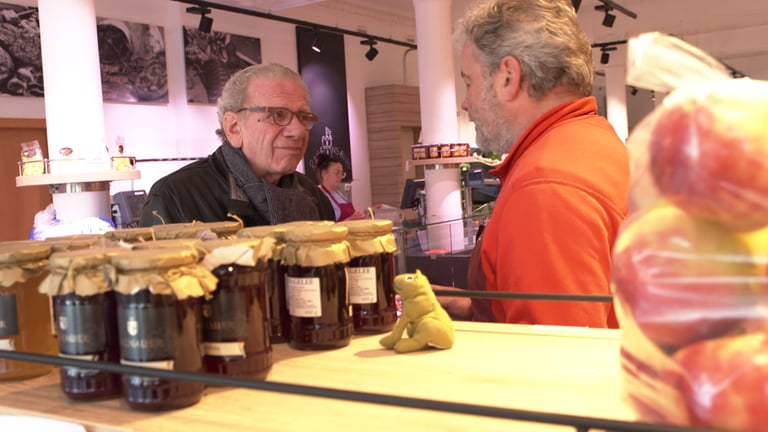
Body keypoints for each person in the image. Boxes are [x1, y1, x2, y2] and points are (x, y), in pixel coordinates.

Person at [437, 0, 630, 328]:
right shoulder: (594, 142)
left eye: (469, 82)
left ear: (509, 77)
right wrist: (482, 306)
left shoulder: (546, 186)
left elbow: (556, 362)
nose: (465, 102)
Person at [140, 63, 335, 227]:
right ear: (234, 127)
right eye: (277, 114)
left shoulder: (314, 199)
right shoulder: (174, 198)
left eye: (303, 117)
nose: (298, 131)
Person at [316, 153, 366, 221]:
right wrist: (350, 220)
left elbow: (352, 216)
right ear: (324, 174)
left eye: (341, 173)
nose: (340, 177)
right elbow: (327, 228)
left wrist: (368, 211)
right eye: (336, 172)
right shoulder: (319, 197)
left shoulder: (339, 193)